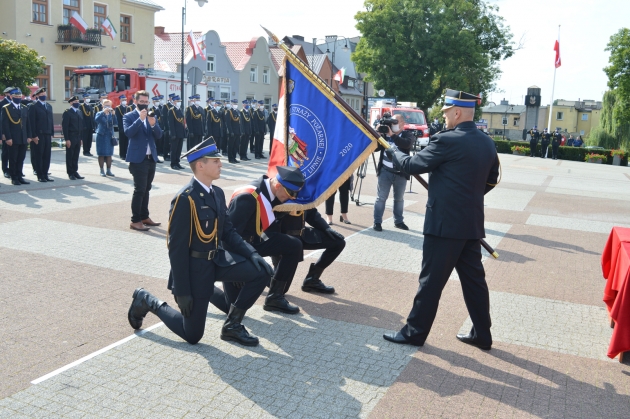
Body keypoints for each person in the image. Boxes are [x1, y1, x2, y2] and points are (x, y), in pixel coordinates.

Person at [382, 89, 500, 350]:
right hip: (470, 223)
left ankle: (414, 333)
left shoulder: (447, 140)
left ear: (457, 112)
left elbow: (412, 166)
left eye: (446, 113)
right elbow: (492, 179)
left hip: (444, 224)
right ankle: (483, 334)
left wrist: (390, 148)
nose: (444, 117)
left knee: (430, 282)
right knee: (474, 282)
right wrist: (466, 195)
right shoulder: (486, 142)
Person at [127, 139, 272, 346]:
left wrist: (252, 253)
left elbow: (228, 232)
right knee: (192, 335)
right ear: (201, 165)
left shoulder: (218, 193)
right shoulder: (185, 199)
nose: (220, 164)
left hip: (217, 261)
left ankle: (232, 326)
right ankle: (147, 300)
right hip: (195, 268)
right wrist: (183, 290)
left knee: (262, 271)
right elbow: (176, 250)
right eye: (215, 161)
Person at [227, 166, 312, 314]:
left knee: (294, 245)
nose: (292, 198)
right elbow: (229, 235)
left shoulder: (276, 193)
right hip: (238, 247)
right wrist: (235, 265)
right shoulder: (247, 196)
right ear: (278, 185)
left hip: (257, 241)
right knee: (230, 306)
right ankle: (205, 289)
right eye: (290, 193)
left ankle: (275, 297)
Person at [123, 90, 163, 231]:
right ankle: (135, 220)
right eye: (141, 102)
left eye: (146, 102)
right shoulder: (129, 116)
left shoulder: (151, 115)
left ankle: (145, 216)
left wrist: (153, 124)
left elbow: (159, 135)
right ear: (135, 102)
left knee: (147, 189)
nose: (144, 105)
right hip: (137, 159)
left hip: (150, 158)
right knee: (139, 189)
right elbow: (128, 133)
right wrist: (140, 119)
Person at [373, 113, 415, 232]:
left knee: (399, 199)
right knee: (381, 198)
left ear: (402, 124)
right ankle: (377, 222)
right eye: (391, 123)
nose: (392, 125)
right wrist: (377, 134)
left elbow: (406, 144)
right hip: (385, 171)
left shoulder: (408, 134)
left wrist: (392, 135)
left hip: (400, 173)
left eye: (395, 123)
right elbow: (375, 148)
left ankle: (399, 221)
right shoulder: (385, 135)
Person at [1, 87, 32, 185]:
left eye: (20, 96)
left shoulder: (24, 108)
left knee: (21, 158)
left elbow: (28, 124)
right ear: (11, 97)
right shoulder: (6, 108)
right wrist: (8, 138)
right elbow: (5, 124)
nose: (18, 98)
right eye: (16, 96)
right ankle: (14, 177)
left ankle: (19, 175)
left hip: (23, 137)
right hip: (13, 138)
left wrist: (29, 136)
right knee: (13, 158)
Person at [28, 87, 54, 182]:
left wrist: (52, 132)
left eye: (44, 95)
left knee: (47, 155)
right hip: (38, 135)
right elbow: (31, 122)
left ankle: (45, 174)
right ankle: (40, 175)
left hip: (47, 134)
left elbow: (51, 121)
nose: (44, 96)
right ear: (37, 96)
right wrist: (33, 135)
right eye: (41, 95)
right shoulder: (33, 106)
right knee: (39, 155)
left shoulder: (49, 106)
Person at [62, 96, 85, 180]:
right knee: (70, 155)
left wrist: (81, 138)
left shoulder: (79, 112)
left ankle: (75, 171)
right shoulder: (67, 112)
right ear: (71, 103)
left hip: (78, 136)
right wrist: (67, 139)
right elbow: (65, 127)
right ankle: (70, 172)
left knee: (76, 155)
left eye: (78, 101)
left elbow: (81, 126)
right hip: (71, 136)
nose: (77, 102)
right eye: (75, 101)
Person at [94, 99, 116, 177]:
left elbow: (116, 123)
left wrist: (114, 115)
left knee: (109, 154)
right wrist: (103, 113)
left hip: (109, 135)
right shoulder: (99, 113)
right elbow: (96, 120)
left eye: (109, 105)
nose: (107, 107)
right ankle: (101, 170)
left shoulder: (111, 114)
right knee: (101, 154)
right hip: (101, 135)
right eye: (106, 105)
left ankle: (109, 170)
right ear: (102, 106)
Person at [167, 95, 186, 170]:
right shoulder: (171, 110)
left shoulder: (179, 110)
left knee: (179, 149)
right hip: (175, 133)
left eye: (179, 101)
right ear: (174, 102)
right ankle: (173, 163)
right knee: (174, 149)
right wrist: (173, 134)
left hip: (180, 133)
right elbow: (171, 123)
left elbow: (181, 122)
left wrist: (184, 133)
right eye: (178, 101)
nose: (179, 103)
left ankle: (177, 162)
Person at [1, 87, 14, 179]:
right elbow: (1, 121)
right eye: (11, 93)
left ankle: (15, 170)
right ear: (6, 94)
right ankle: (5, 170)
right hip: (6, 132)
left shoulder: (16, 103)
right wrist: (2, 134)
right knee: (5, 152)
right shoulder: (2, 104)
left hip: (15, 132)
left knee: (15, 153)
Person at [225, 99, 241, 164]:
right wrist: (230, 131)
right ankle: (230, 158)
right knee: (231, 146)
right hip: (232, 132)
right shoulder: (229, 112)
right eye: (234, 104)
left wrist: (240, 131)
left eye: (236, 104)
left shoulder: (238, 111)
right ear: (231, 104)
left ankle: (234, 157)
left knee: (236, 146)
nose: (235, 105)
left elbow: (240, 122)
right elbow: (228, 123)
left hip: (237, 131)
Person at [114, 94, 130, 159]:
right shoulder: (118, 108)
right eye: (123, 100)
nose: (124, 101)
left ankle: (126, 154)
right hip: (122, 127)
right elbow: (118, 119)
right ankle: (122, 155)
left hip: (127, 127)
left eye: (125, 100)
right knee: (122, 141)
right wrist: (120, 127)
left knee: (127, 141)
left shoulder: (128, 107)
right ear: (120, 100)